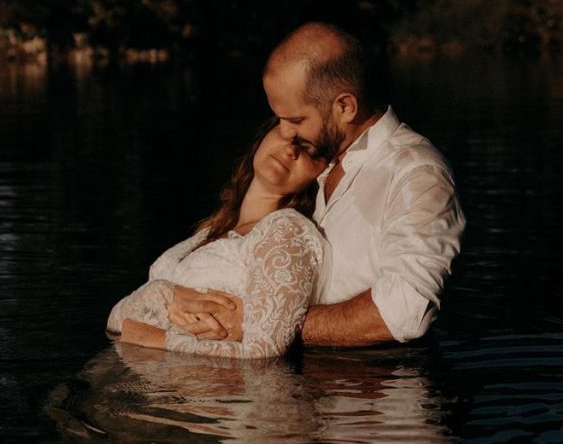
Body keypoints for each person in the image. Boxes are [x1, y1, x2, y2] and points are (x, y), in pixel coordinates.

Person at [168, 22, 466, 347]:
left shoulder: (414, 172)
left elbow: (406, 311)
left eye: (296, 120)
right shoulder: (319, 163)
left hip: (370, 390)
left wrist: (267, 321)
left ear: (344, 107)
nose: (285, 133)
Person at [106, 120, 327, 358]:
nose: (292, 150)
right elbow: (116, 325)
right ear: (265, 135)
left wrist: (155, 339)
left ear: (321, 175)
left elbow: (264, 352)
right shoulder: (211, 230)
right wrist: (158, 295)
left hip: (207, 388)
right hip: (151, 379)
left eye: (310, 151)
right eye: (289, 135)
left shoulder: (285, 231)